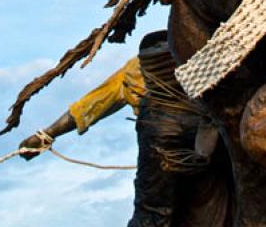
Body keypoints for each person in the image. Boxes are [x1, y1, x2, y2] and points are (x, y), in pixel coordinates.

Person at [20, 31, 233, 227]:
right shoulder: (206, 60)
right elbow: (90, 106)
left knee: (152, 214)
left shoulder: (135, 69)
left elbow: (92, 104)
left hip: (164, 145)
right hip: (209, 139)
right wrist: (47, 134)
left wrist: (47, 134)